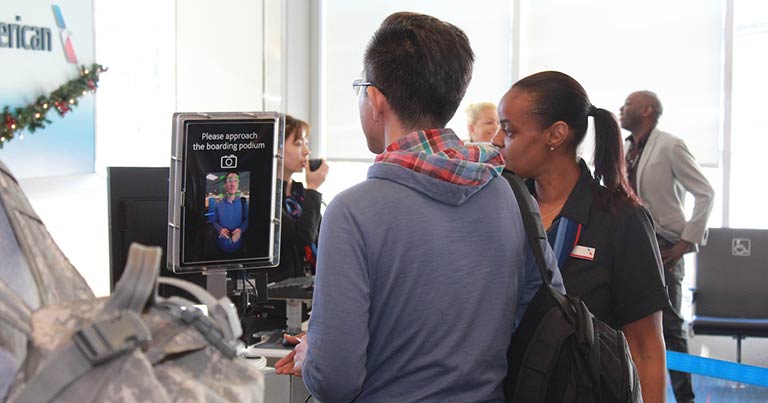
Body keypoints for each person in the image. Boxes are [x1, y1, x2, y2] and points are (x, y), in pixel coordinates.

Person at [276, 12, 563, 402]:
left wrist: (314, 356)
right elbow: (537, 313)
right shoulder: (508, 194)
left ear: (376, 100)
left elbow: (336, 381)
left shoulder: (353, 212)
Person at [491, 71, 670, 402]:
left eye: (509, 130)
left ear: (555, 135)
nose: (497, 141)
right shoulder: (502, 208)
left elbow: (645, 348)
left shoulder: (621, 220)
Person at [620, 90, 715, 403]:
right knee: (632, 322)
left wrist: (686, 241)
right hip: (632, 244)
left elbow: (705, 192)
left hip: (665, 247)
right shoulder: (626, 148)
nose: (622, 108)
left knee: (670, 328)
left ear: (647, 110)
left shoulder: (670, 145)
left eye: (629, 104)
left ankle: (685, 398)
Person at [241, 114, 328, 334]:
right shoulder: (261, 194)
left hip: (305, 302)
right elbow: (301, 236)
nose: (306, 152)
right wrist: (314, 189)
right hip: (272, 309)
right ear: (276, 149)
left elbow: (320, 237)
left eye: (306, 143)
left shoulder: (299, 194)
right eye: (298, 144)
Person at [211, 171, 248, 254]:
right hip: (220, 246)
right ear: (225, 185)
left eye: (235, 181)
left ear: (238, 184)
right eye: (229, 181)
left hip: (239, 247)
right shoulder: (218, 204)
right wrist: (220, 229)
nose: (233, 184)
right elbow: (214, 221)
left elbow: (248, 219)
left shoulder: (244, 203)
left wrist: (240, 230)